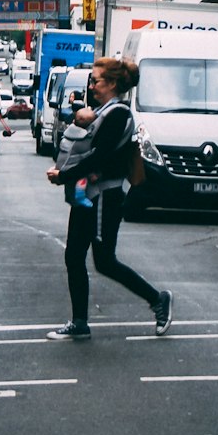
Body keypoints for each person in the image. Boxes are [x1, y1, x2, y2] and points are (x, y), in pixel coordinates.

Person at [46, 54, 172, 341]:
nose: (91, 85)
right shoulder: (103, 111)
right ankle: (79, 323)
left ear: (113, 83)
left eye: (96, 80)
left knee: (104, 260)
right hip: (86, 193)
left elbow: (98, 156)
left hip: (104, 195)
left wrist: (63, 175)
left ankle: (158, 299)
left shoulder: (119, 115)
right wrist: (80, 116)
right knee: (74, 255)